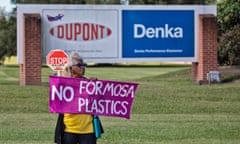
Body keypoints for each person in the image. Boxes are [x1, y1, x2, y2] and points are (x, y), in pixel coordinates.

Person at [54, 52, 99, 144]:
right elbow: (57, 104)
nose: (83, 67)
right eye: (79, 65)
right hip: (69, 129)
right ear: (71, 67)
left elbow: (98, 102)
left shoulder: (89, 84)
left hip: (88, 129)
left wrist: (96, 86)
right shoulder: (63, 85)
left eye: (84, 65)